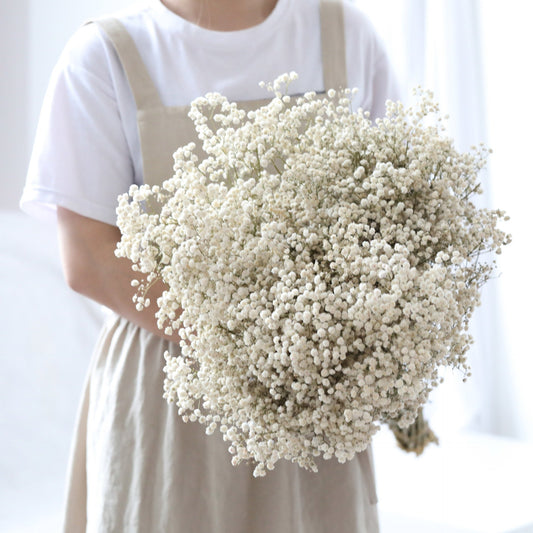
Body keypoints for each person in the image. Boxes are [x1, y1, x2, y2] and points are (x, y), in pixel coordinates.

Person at [21, 0, 399, 531]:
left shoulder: (344, 32)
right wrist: (257, 345)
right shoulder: (105, 53)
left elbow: (397, 207)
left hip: (315, 401)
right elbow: (87, 255)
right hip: (168, 393)